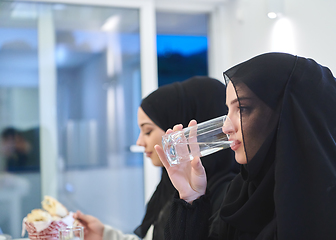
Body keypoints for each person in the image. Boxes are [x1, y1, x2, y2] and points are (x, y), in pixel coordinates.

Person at [155, 52, 336, 239]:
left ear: (288, 117)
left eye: (242, 109)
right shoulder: (240, 197)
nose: (226, 126)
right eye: (228, 111)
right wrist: (190, 199)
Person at [73, 76, 240, 240]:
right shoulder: (169, 190)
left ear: (180, 129)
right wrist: (105, 235)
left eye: (148, 131)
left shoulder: (227, 199)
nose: (139, 142)